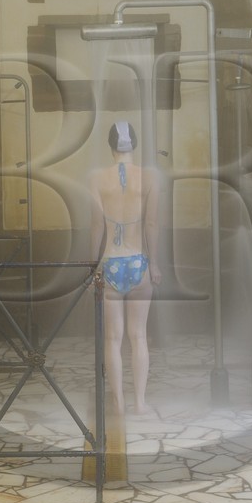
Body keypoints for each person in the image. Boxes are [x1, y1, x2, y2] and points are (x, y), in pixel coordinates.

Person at [89, 120, 161, 416]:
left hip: (110, 263)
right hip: (138, 262)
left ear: (110, 146)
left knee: (113, 339)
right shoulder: (149, 177)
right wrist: (154, 263)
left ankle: (118, 403)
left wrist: (92, 266)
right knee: (139, 336)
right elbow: (152, 224)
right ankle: (140, 403)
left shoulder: (96, 178)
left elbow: (96, 226)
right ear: (135, 144)